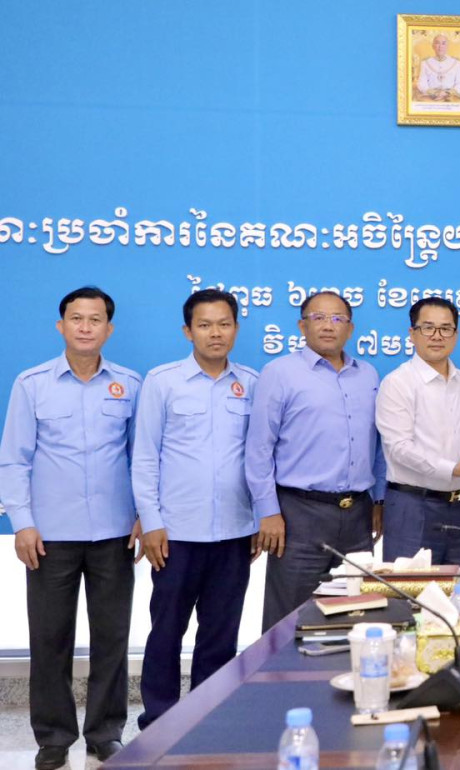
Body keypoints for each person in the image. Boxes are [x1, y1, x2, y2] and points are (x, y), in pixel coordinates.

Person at [0, 287, 142, 770]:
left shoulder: (129, 384)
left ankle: (105, 733)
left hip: (114, 534)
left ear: (109, 329)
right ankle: (54, 738)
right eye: (76, 318)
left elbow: (140, 457)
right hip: (49, 536)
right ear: (61, 326)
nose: (85, 326)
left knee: (112, 639)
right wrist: (22, 523)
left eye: (95, 319)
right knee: (49, 639)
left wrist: (145, 514)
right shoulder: (32, 383)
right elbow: (14, 459)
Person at [132, 289, 258, 729]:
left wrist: (257, 519)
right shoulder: (162, 381)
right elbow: (144, 457)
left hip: (234, 532)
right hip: (175, 533)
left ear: (236, 329)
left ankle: (209, 720)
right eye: (205, 325)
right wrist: (151, 522)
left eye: (224, 324)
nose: (215, 333)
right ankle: (159, 721)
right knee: (167, 631)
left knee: (221, 634)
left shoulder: (251, 383)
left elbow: (259, 458)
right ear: (188, 331)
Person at [245, 291, 387, 632]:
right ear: (302, 326)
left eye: (338, 319)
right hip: (298, 515)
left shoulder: (368, 375)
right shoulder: (279, 373)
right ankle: (279, 670)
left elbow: (379, 445)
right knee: (288, 620)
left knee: (355, 613)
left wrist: (379, 500)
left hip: (358, 515)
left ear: (350, 329)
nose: (328, 326)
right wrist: (268, 512)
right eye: (318, 318)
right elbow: (259, 448)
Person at [375, 297, 460, 567]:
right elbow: (399, 449)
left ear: (456, 335)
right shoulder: (398, 383)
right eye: (428, 328)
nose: (437, 336)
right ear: (412, 334)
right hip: (412, 507)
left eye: (446, 328)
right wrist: (454, 469)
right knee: (410, 590)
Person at [416, 33, 460, 101]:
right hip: (431, 97)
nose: (440, 46)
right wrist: (434, 93)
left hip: (451, 97)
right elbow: (421, 83)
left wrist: (447, 93)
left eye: (443, 43)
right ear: (433, 46)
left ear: (447, 46)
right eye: (437, 43)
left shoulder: (456, 63)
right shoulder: (425, 63)